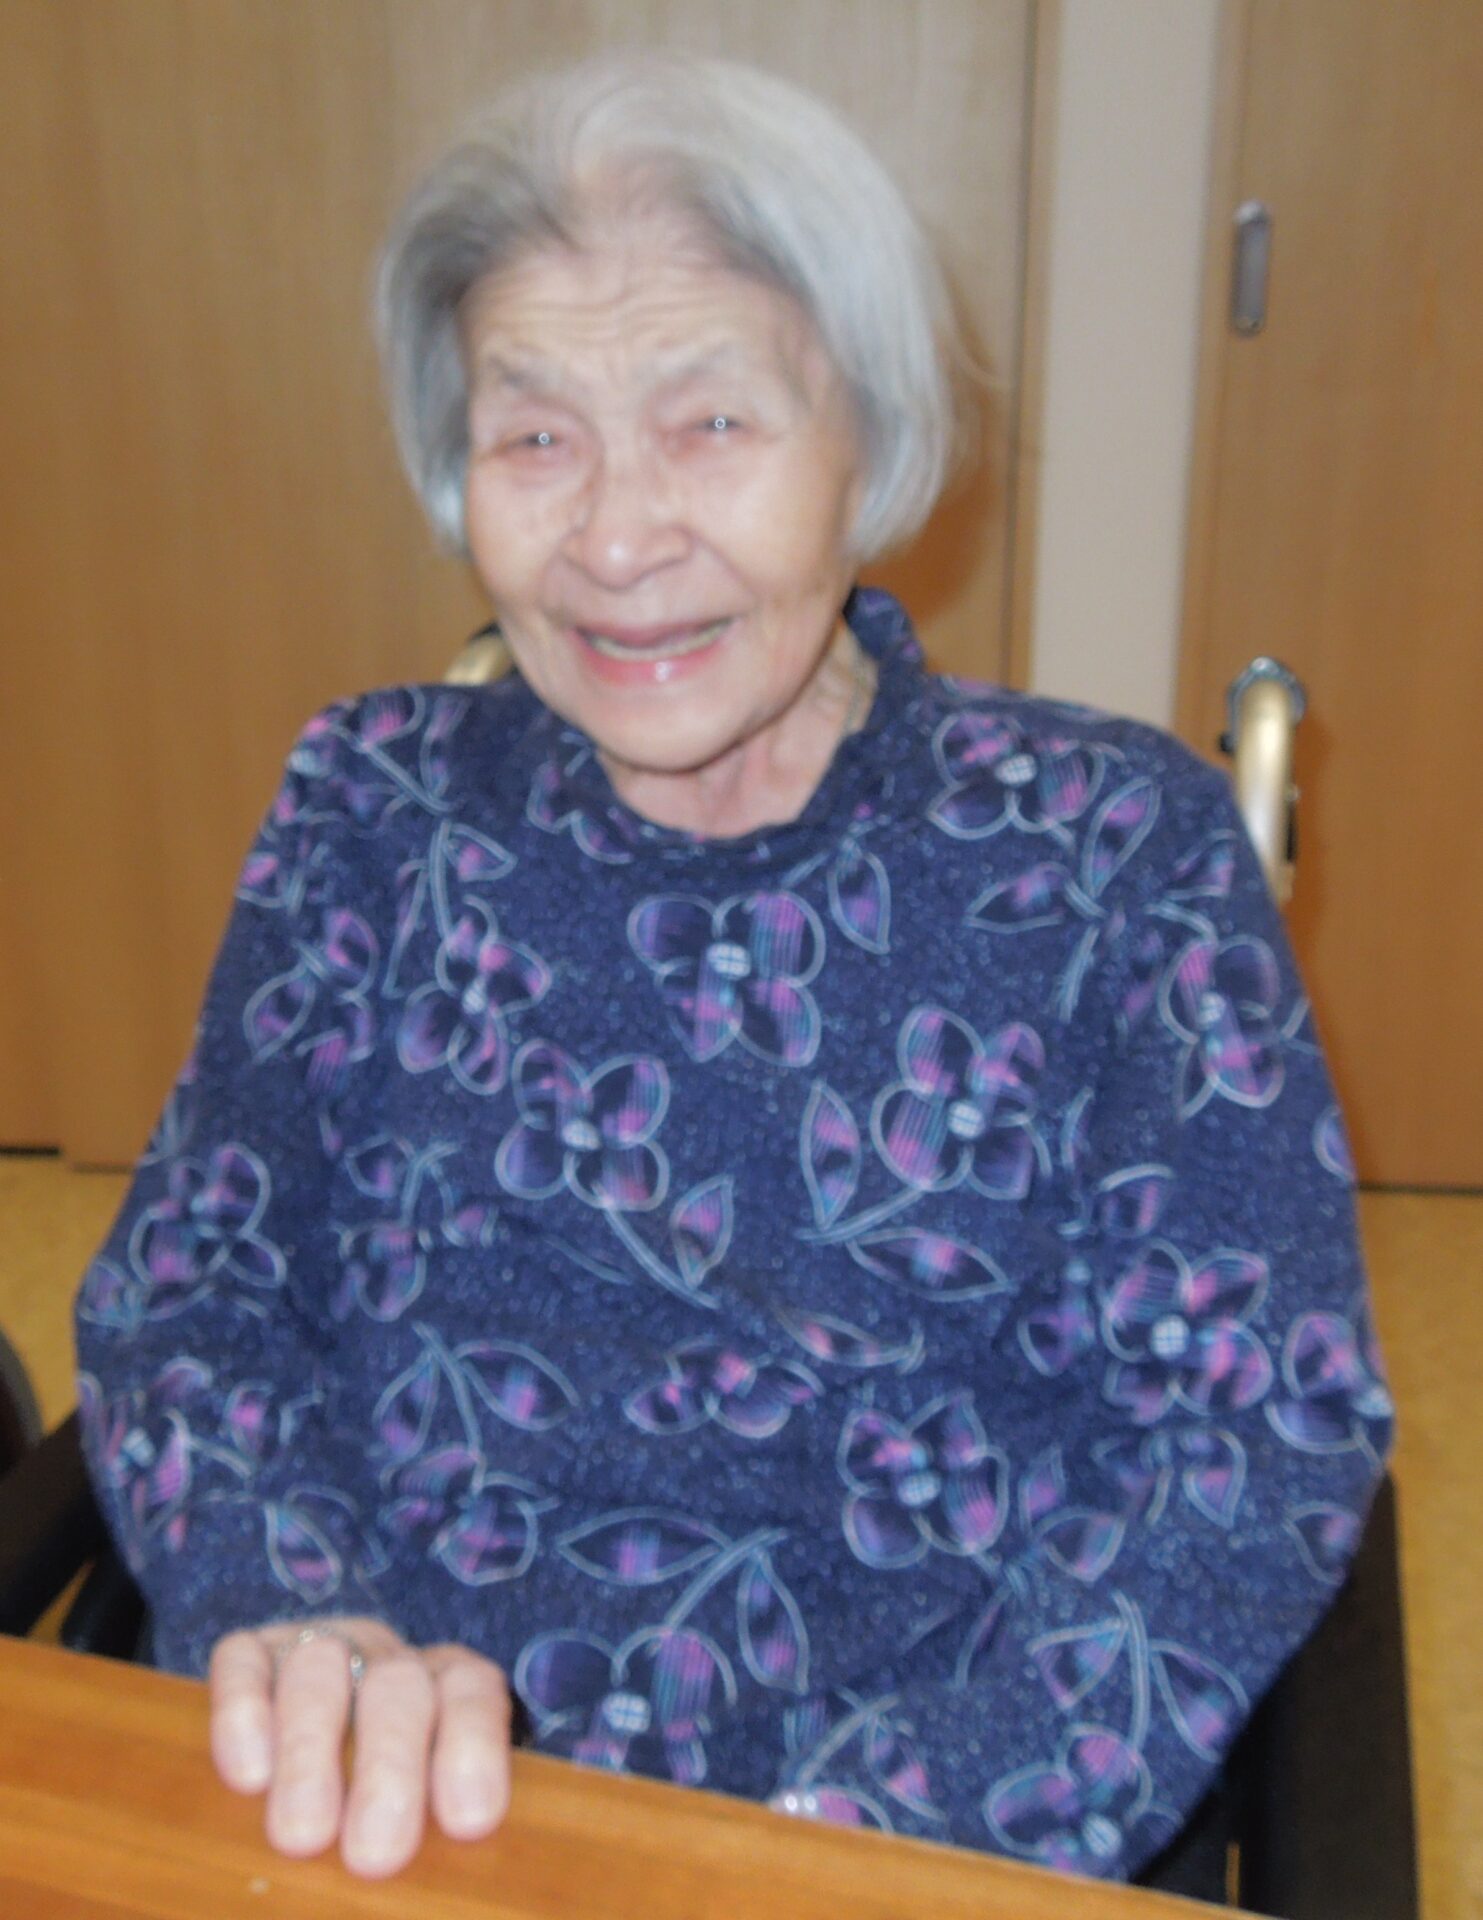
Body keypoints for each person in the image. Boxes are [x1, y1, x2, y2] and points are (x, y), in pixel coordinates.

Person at [74, 50, 1392, 1884]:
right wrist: (301, 1620)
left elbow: (1250, 1424)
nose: (618, 539)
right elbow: (195, 1287)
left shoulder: (1113, 853)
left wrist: (862, 1842)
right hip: (369, 1820)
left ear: (872, 445)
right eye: (536, 438)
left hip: (891, 1836)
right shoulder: (373, 804)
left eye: (709, 423)